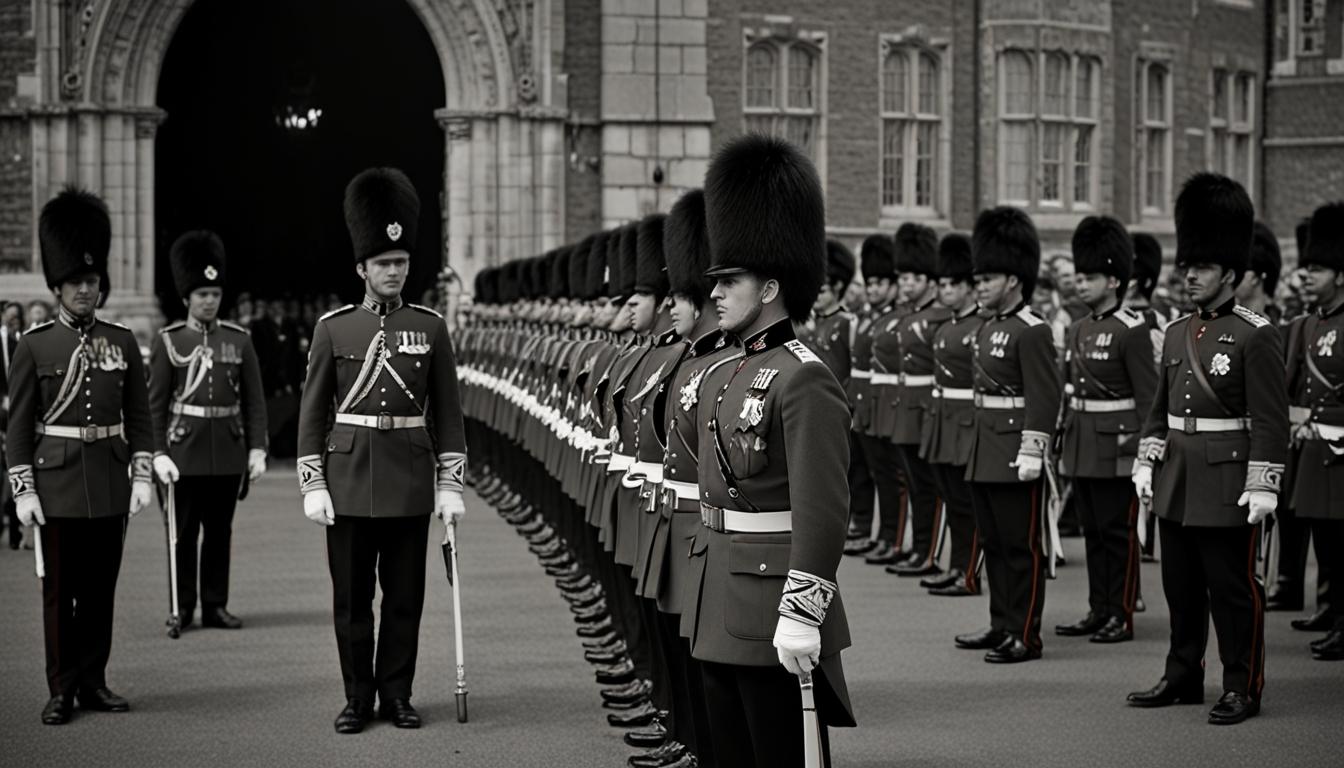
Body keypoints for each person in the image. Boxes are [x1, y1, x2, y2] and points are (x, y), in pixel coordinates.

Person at [686, 134, 854, 767]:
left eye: (730, 281)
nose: (716, 294)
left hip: (773, 600)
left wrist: (804, 608)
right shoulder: (724, 372)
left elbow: (823, 507)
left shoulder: (804, 375)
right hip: (719, 592)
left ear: (769, 287)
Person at [295, 167, 468, 733]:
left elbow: (447, 411)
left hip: (411, 479)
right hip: (347, 480)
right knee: (351, 603)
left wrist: (450, 483)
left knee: (403, 601)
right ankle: (356, 698)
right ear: (362, 269)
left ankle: (397, 693)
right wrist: (312, 480)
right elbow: (314, 410)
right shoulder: (333, 329)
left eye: (400, 262)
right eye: (383, 263)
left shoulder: (432, 327)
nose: (393, 271)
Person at [1127, 172, 1288, 725]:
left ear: (1232, 273)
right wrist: (1147, 460)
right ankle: (1182, 674)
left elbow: (1270, 419)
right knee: (1181, 588)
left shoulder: (1256, 334)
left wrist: (1264, 484)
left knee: (1233, 592)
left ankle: (1242, 683)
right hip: (1178, 478)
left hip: (1227, 481)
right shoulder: (1175, 332)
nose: (1188, 274)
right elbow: (1158, 408)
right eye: (1187, 265)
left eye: (1201, 267)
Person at [6, 187, 154, 724]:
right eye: (76, 283)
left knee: (99, 592)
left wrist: (141, 473)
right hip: (58, 485)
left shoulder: (121, 340)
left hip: (109, 482)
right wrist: (22, 488)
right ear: (59, 285)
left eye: (92, 282)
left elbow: (139, 417)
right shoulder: (35, 345)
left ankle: (94, 680)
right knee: (59, 595)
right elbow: (20, 425)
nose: (86, 291)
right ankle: (61, 687)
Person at [148, 231, 268, 630]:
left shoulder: (239, 339)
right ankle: (182, 607)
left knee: (219, 532)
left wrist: (256, 448)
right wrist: (158, 451)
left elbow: (253, 399)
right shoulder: (169, 342)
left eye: (214, 293)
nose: (210, 301)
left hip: (228, 449)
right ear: (186, 298)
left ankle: (215, 603)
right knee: (182, 535)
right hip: (184, 452)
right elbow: (155, 405)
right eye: (201, 294)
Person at [954, 206, 1059, 664]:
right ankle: (1001, 623)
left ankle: (1025, 633)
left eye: (988, 278)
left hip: (1016, 452)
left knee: (1021, 548)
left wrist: (1033, 448)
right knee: (993, 544)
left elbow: (1045, 396)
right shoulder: (987, 327)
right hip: (984, 448)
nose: (979, 285)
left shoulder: (1032, 330)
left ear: (1013, 280)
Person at [1054, 216, 1157, 644]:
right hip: (1083, 442)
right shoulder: (1078, 329)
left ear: (1114, 280)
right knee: (1094, 534)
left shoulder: (1132, 331)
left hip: (1118, 446)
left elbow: (1147, 398)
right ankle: (1099, 607)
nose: (1081, 284)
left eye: (1090, 277)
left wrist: (1141, 452)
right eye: (1079, 276)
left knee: (1119, 535)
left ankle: (1121, 611)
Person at [1286, 202, 1344, 661]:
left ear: (1340, 275)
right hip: (1314, 447)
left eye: (1317, 268)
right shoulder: (1309, 325)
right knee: (1325, 541)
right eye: (1306, 267)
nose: (1306, 275)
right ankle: (1332, 609)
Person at [884, 223, 950, 578]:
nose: (907, 284)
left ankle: (931, 553)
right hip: (906, 407)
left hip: (929, 408)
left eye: (913, 278)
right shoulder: (909, 318)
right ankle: (918, 547)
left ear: (929, 280)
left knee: (930, 486)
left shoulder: (939, 319)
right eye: (904, 278)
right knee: (914, 482)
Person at [920, 233, 984, 597]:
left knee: (965, 503)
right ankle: (955, 565)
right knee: (950, 498)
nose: (946, 291)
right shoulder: (946, 327)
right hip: (943, 418)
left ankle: (969, 572)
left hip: (965, 420)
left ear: (970, 288)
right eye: (942, 284)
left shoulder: (978, 327)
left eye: (953, 285)